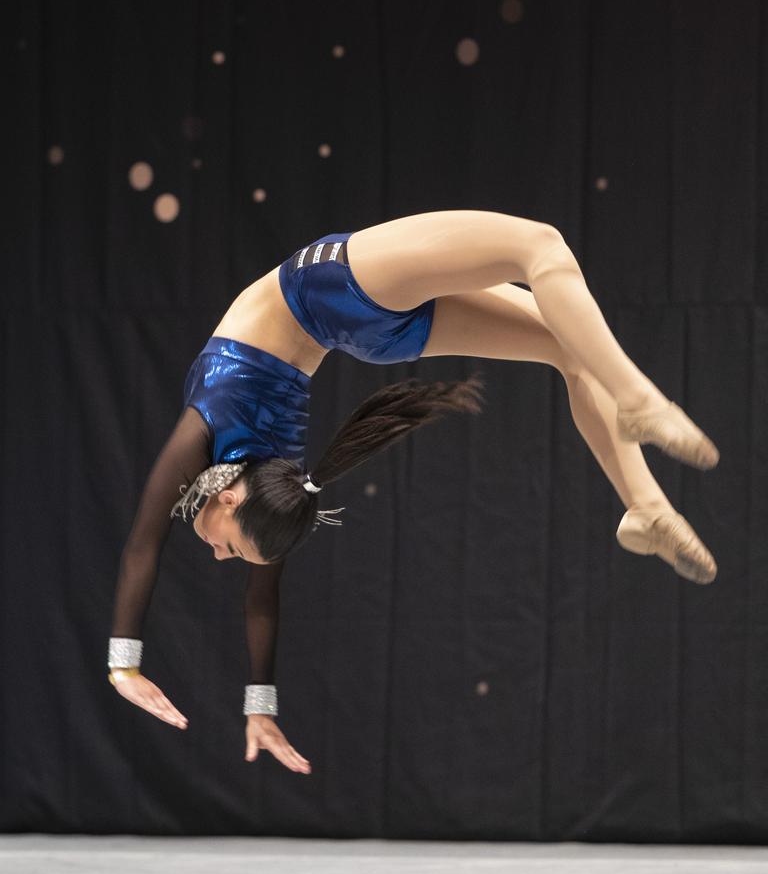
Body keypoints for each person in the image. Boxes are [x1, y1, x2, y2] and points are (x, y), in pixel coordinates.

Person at [107, 210, 719, 774]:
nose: (217, 556)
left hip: (349, 313)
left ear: (230, 500)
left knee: (570, 346)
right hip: (338, 292)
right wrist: (223, 694)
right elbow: (236, 586)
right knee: (542, 246)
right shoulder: (271, 486)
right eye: (232, 556)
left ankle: (645, 507)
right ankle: (639, 400)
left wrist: (147, 672)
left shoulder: (209, 443)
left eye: (231, 551)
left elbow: (147, 547)